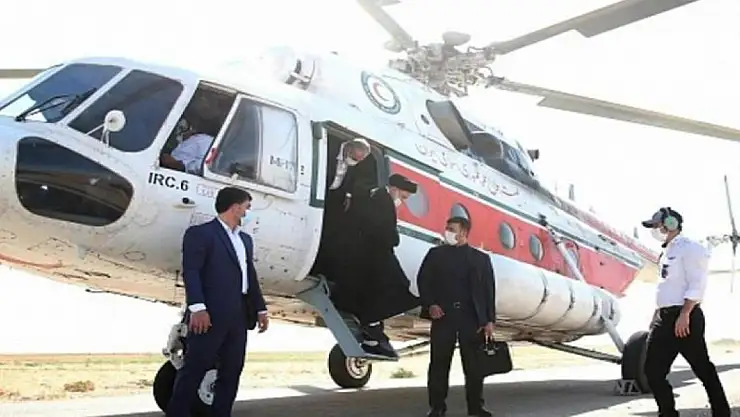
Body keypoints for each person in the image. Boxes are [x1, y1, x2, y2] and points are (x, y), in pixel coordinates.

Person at [167, 187, 270, 417]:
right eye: (247, 207)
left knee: (232, 371)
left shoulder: (245, 240)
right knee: (194, 369)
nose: (248, 212)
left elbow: (249, 276)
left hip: (239, 315)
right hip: (209, 314)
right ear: (235, 207)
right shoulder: (200, 234)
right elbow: (191, 271)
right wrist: (197, 308)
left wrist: (260, 308)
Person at [640, 207, 730, 417]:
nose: (654, 230)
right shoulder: (667, 251)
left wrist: (685, 313)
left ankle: (721, 412)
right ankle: (667, 413)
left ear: (671, 224)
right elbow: (667, 286)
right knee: (652, 371)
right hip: (664, 318)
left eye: (656, 225)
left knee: (702, 369)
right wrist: (656, 315)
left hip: (684, 317)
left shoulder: (690, 248)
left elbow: (697, 283)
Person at [417, 216, 495, 417]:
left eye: (452, 229)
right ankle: (437, 407)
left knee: (474, 366)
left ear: (464, 232)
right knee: (439, 364)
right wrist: (431, 304)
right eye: (447, 228)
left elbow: (488, 291)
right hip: (444, 317)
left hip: (472, 319)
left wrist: (489, 320)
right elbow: (424, 281)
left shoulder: (481, 259)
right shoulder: (435, 255)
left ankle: (476, 407)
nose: (447, 232)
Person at [347, 173, 420, 357]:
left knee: (379, 291)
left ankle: (373, 325)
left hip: (372, 255)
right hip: (378, 256)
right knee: (401, 289)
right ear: (394, 189)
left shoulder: (375, 196)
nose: (402, 201)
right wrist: (395, 238)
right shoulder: (383, 200)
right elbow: (388, 234)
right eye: (403, 196)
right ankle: (371, 320)